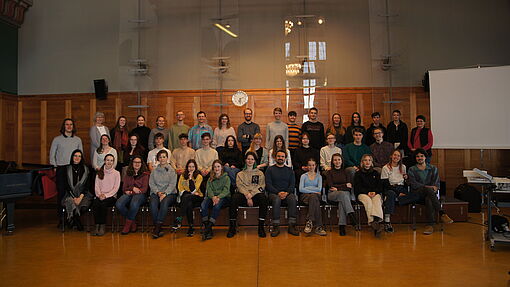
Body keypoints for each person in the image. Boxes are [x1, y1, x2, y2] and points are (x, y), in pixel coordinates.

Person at [405, 149, 453, 235]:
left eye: (421, 156)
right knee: (428, 190)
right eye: (417, 156)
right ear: (415, 158)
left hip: (430, 196)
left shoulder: (433, 168)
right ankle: (442, 213)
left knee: (429, 198)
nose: (420, 158)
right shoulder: (412, 169)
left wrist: (432, 188)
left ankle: (430, 225)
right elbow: (414, 184)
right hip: (418, 194)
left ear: (425, 157)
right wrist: (429, 187)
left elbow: (436, 183)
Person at [227, 152, 268, 238]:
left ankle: (261, 227)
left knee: (263, 198)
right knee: (234, 198)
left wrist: (251, 194)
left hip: (255, 196)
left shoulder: (260, 173)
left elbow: (261, 186)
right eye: (248, 159)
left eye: (252, 159)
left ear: (255, 161)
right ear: (245, 160)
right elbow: (239, 186)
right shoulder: (240, 174)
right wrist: (247, 195)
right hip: (243, 196)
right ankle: (232, 227)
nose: (250, 161)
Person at [56, 149, 92, 231]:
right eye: (75, 156)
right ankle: (77, 221)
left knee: (83, 207)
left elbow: (87, 185)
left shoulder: (86, 169)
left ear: (81, 158)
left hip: (84, 194)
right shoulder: (66, 169)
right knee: (70, 202)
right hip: (69, 194)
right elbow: (66, 185)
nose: (77, 158)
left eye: (79, 156)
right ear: (72, 157)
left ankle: (73, 219)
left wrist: (80, 197)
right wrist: (74, 198)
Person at [265, 150, 299, 237]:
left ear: (285, 158)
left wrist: (286, 193)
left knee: (292, 198)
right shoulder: (270, 169)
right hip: (274, 194)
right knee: (276, 199)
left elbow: (292, 185)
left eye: (282, 156)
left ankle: (292, 226)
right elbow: (268, 185)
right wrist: (278, 193)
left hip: (287, 193)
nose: (281, 158)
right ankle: (276, 226)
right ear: (275, 158)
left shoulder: (290, 170)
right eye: (279, 156)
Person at [116, 155, 149, 235]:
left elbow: (144, 189)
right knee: (119, 204)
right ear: (132, 163)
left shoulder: (145, 174)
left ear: (142, 164)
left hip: (141, 195)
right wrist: (132, 188)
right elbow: (124, 188)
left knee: (134, 203)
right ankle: (132, 221)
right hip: (129, 193)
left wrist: (131, 191)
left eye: (139, 162)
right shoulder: (128, 173)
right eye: (135, 162)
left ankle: (127, 225)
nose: (137, 164)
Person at [326, 153, 357, 236]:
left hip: (344, 195)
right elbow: (331, 186)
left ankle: (342, 226)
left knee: (342, 201)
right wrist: (344, 186)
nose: (337, 161)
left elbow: (349, 186)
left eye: (339, 160)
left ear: (342, 161)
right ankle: (351, 213)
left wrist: (339, 188)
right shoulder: (329, 172)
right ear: (332, 162)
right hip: (332, 194)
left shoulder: (346, 171)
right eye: (335, 160)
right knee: (343, 195)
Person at [149, 150, 178, 239]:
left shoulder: (172, 170)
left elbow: (172, 185)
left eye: (164, 157)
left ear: (167, 158)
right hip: (156, 192)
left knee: (164, 203)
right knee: (153, 204)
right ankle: (159, 226)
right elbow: (151, 183)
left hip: (170, 193)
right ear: (158, 159)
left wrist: (165, 194)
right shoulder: (154, 171)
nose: (162, 159)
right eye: (160, 157)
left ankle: (157, 228)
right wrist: (158, 192)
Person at [353, 154, 384, 238]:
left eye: (369, 160)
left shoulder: (376, 173)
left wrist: (374, 192)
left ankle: (376, 221)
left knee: (377, 201)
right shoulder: (358, 174)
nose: (367, 162)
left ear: (371, 162)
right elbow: (357, 187)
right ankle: (373, 223)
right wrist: (367, 192)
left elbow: (380, 186)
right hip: (362, 194)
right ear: (362, 162)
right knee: (368, 202)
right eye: (365, 160)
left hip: (374, 193)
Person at [201, 159, 231, 240]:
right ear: (213, 169)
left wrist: (218, 197)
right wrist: (213, 197)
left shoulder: (226, 178)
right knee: (203, 205)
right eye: (215, 167)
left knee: (217, 206)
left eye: (218, 166)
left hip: (223, 197)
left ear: (221, 167)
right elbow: (209, 189)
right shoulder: (210, 178)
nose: (217, 169)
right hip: (212, 197)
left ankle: (208, 227)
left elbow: (226, 190)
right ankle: (208, 228)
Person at [91, 154, 120, 236]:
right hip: (100, 195)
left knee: (103, 204)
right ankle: (97, 226)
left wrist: (106, 196)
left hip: (111, 196)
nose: (109, 162)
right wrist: (99, 195)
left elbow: (116, 188)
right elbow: (96, 186)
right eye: (107, 160)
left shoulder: (116, 173)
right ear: (104, 161)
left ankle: (102, 226)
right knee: (96, 204)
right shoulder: (99, 172)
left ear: (113, 162)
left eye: (111, 160)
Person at [173, 159, 203, 237]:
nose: (191, 168)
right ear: (187, 167)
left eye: (193, 167)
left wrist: (190, 179)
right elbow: (180, 188)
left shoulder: (199, 177)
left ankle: (179, 218)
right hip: (186, 197)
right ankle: (191, 227)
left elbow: (194, 190)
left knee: (187, 198)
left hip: (197, 197)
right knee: (188, 203)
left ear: (195, 167)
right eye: (189, 167)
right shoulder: (182, 176)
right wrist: (189, 192)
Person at [380, 149, 407, 233]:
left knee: (413, 194)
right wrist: (398, 193)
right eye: (395, 155)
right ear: (391, 156)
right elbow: (385, 184)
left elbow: (405, 182)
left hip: (401, 187)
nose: (396, 157)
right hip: (390, 188)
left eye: (398, 156)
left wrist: (406, 178)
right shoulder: (385, 168)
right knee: (391, 194)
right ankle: (387, 220)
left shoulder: (403, 167)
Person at [299, 158, 327, 236]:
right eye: (309, 165)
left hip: (316, 196)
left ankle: (309, 221)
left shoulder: (319, 176)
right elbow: (301, 189)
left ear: (316, 166)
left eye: (313, 165)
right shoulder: (303, 176)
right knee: (314, 198)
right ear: (307, 166)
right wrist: (313, 190)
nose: (311, 167)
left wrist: (307, 189)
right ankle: (319, 227)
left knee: (314, 197)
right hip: (305, 196)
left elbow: (319, 189)